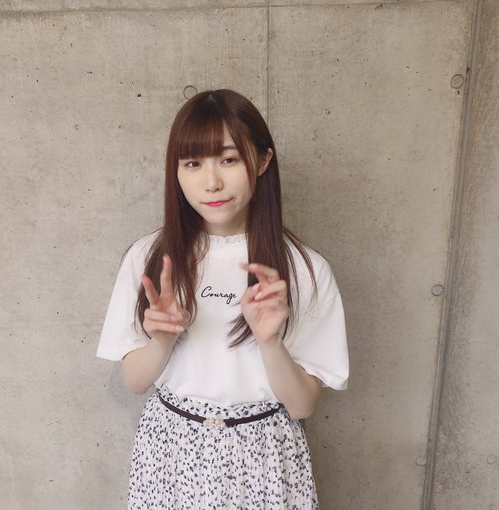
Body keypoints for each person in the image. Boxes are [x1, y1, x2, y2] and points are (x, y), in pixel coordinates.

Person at [96, 89, 349, 509]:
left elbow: (302, 405)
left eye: (229, 160)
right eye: (193, 164)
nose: (211, 182)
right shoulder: (149, 259)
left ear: (263, 161)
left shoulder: (305, 269)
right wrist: (162, 340)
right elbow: (135, 382)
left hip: (265, 456)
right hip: (170, 452)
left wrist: (270, 341)